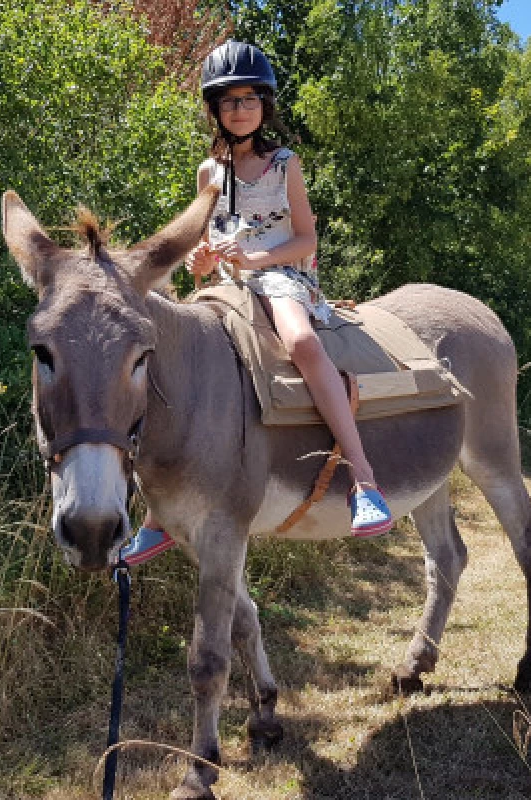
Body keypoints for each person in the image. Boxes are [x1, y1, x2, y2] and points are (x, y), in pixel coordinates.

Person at [121, 41, 392, 565]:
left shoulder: (284, 164)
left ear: (264, 105)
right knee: (168, 363)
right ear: (215, 110)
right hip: (224, 288)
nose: (239, 109)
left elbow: (307, 240)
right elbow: (204, 243)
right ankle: (157, 516)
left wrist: (254, 257)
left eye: (248, 99)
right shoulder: (208, 173)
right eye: (228, 101)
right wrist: (204, 259)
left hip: (279, 278)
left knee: (303, 342)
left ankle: (364, 481)